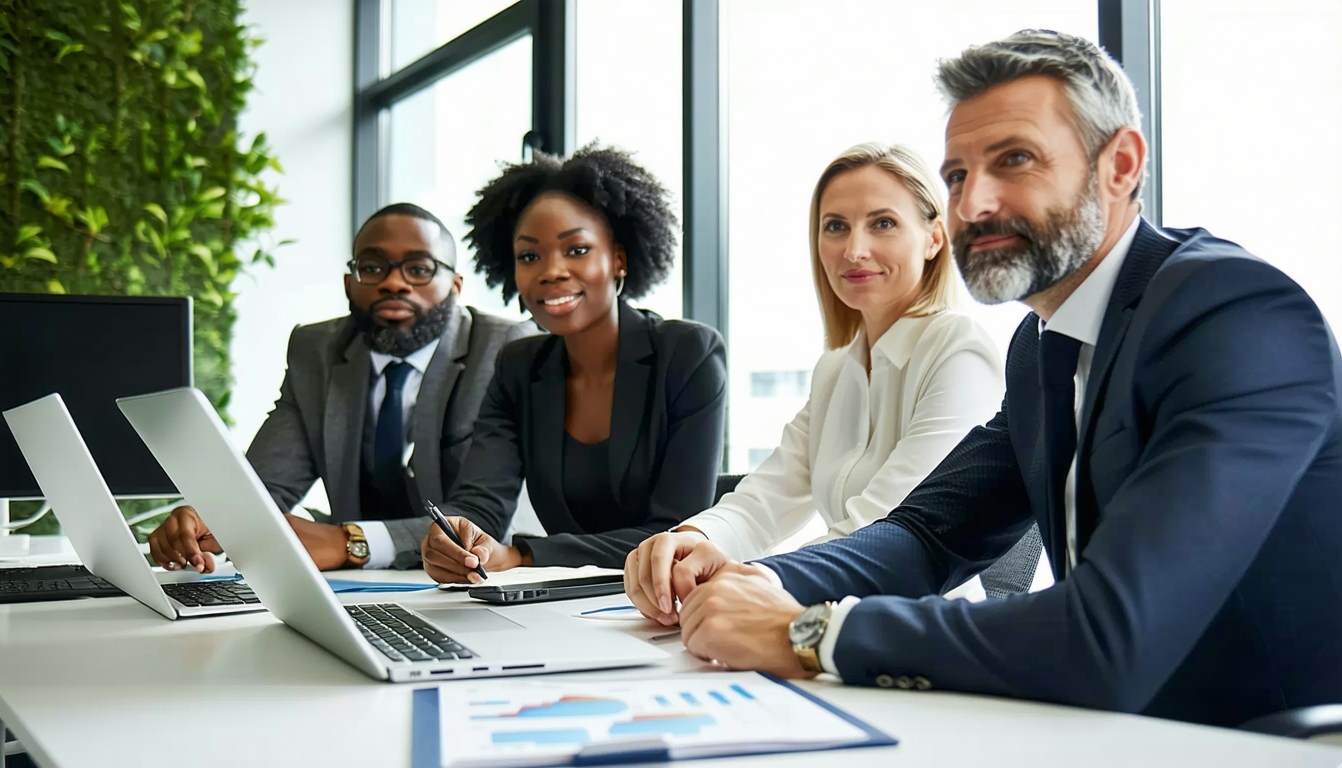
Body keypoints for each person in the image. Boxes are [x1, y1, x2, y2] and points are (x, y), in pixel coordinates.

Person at [641, 30, 1342, 728]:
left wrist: (811, 634)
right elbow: (929, 533)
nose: (973, 203)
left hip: (1258, 740)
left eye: (1014, 160)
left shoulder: (1234, 315)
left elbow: (1109, 634)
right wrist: (756, 579)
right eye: (956, 176)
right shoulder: (1040, 347)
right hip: (1117, 730)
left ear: (1121, 165)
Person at [626, 143, 1003, 590]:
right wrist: (693, 539)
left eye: (883, 223)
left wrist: (759, 581)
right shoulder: (836, 369)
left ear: (934, 238)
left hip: (918, 622)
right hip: (828, 611)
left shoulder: (958, 351)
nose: (854, 250)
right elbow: (768, 498)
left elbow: (889, 525)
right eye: (836, 226)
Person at [147, 203, 536, 572]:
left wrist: (348, 542)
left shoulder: (503, 350)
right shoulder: (316, 351)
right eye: (372, 267)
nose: (393, 283)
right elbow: (267, 485)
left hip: (474, 579)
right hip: (359, 585)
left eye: (419, 269)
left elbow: (484, 520)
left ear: (454, 286)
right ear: (349, 283)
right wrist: (208, 517)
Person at [420, 145, 727, 582]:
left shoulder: (687, 354)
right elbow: (481, 498)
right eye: (530, 256)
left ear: (619, 259)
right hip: (563, 600)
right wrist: (458, 536)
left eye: (577, 249)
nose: (552, 271)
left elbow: (676, 531)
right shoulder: (518, 367)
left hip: (675, 597)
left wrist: (524, 557)